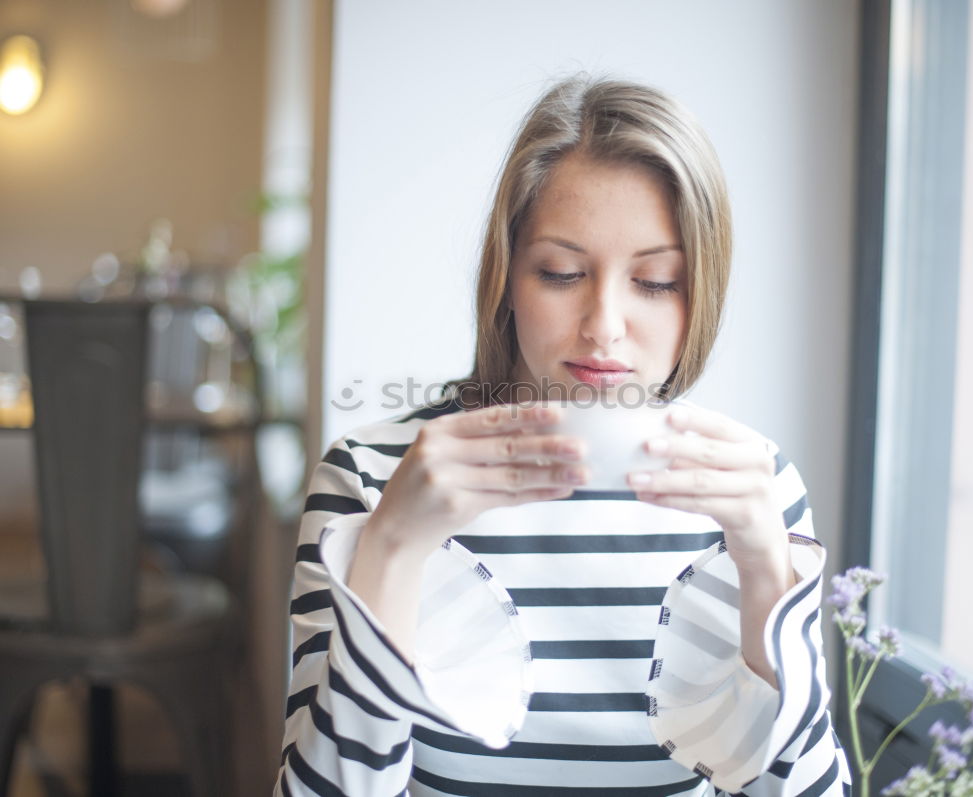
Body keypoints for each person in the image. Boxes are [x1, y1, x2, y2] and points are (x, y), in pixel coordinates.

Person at [275, 75, 850, 796]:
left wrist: (767, 572)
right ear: (507, 275)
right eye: (563, 271)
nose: (604, 324)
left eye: (656, 281)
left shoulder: (753, 488)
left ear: (701, 290)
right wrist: (391, 547)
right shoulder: (368, 474)